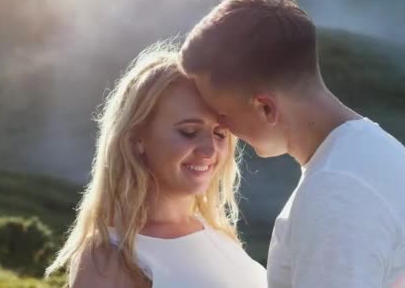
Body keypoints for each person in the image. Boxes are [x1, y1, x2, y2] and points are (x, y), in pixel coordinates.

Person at [179, 0, 405, 288]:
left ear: (266, 108)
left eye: (223, 114)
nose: (223, 128)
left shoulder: (336, 191)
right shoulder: (375, 152)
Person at [45, 42, 267, 287]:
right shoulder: (112, 257)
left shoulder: (220, 236)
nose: (209, 150)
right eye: (189, 132)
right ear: (138, 137)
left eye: (220, 134)